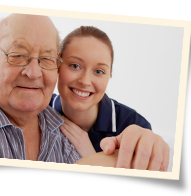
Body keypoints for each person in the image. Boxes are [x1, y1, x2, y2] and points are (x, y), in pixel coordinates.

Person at [0, 13, 169, 170]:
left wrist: (149, 145)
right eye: (17, 54)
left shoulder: (61, 130)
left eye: (46, 59)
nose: (33, 72)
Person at [49, 26, 170, 171]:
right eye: (75, 66)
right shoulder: (39, 108)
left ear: (109, 75)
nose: (85, 81)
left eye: (99, 71)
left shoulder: (133, 125)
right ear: (57, 64)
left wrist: (91, 158)